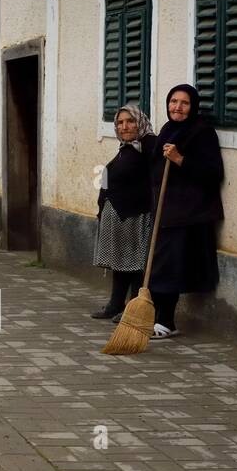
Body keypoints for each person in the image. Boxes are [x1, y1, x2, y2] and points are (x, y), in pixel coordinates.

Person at [147, 84, 223, 339]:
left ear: (194, 106)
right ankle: (156, 317)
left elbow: (213, 174)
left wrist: (180, 159)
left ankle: (166, 321)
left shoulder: (202, 133)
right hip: (165, 210)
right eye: (173, 102)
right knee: (159, 264)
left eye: (184, 103)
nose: (177, 107)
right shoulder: (168, 129)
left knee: (170, 266)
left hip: (188, 214)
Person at [90, 104, 157, 320]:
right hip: (117, 215)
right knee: (120, 262)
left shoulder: (149, 145)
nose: (125, 126)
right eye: (120, 122)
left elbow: (155, 180)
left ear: (140, 122)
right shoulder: (126, 148)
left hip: (135, 215)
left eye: (130, 121)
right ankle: (115, 304)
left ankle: (133, 309)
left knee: (136, 263)